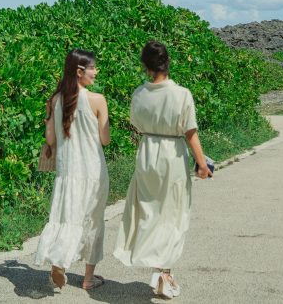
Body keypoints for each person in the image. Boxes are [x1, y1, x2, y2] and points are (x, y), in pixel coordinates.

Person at [113, 40, 211, 298]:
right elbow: (191, 134)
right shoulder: (182, 94)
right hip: (172, 155)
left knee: (149, 211)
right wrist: (201, 163)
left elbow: (136, 123)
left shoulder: (139, 93)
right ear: (168, 62)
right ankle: (164, 272)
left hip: (147, 152)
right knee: (173, 215)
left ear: (145, 66)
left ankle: (161, 269)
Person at [34, 49, 111, 291]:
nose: (95, 72)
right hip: (93, 171)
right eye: (92, 68)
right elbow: (105, 139)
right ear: (80, 71)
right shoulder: (97, 99)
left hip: (67, 172)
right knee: (93, 221)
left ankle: (60, 263)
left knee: (65, 217)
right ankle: (88, 279)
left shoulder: (55, 100)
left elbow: (50, 139)